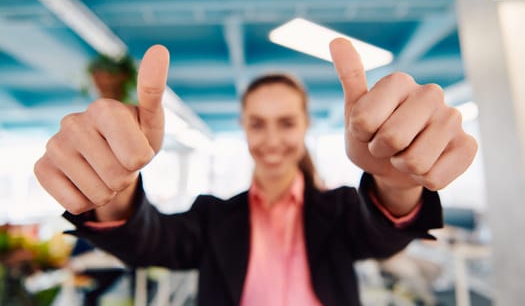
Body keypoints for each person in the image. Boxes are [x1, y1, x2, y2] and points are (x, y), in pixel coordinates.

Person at [34, 38, 477, 306]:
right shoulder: (212, 217)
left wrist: (397, 183)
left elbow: (380, 236)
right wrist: (116, 189)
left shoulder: (340, 209)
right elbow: (151, 243)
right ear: (244, 130)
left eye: (286, 123)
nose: (271, 140)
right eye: (258, 124)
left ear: (305, 126)